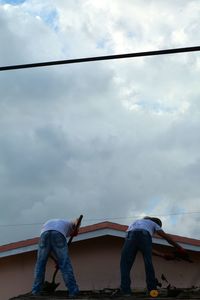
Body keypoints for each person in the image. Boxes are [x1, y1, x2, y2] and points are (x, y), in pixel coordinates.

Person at [119, 216, 187, 296]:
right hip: (144, 235)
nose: (154, 233)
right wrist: (180, 248)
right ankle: (152, 290)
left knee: (125, 265)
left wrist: (163, 255)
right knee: (148, 264)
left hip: (129, 236)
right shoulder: (154, 223)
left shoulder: (135, 222)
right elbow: (166, 237)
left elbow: (147, 249)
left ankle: (125, 292)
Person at [32, 218, 81, 298]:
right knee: (65, 264)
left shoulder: (59, 223)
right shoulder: (70, 224)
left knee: (40, 264)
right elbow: (77, 220)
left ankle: (36, 290)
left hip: (44, 235)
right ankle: (73, 291)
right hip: (58, 234)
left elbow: (49, 252)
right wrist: (78, 225)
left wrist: (56, 261)